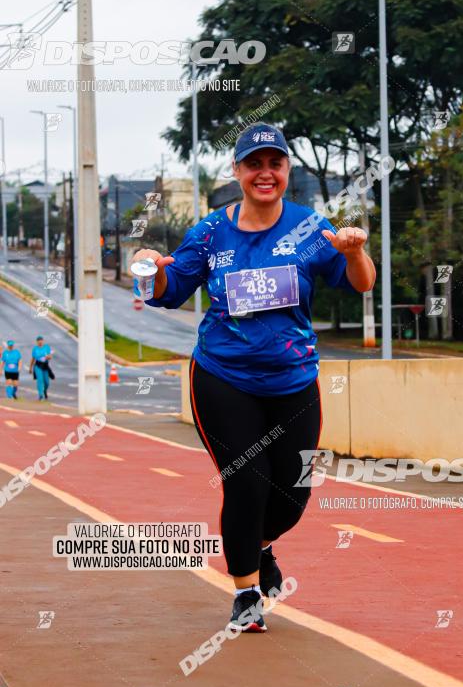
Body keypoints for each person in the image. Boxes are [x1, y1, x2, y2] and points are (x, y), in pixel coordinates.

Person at [131, 123, 376, 632]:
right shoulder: (210, 232)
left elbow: (361, 284)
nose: (265, 173)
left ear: (287, 171)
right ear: (238, 172)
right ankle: (245, 593)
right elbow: (168, 290)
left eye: (275, 164)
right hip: (223, 377)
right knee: (246, 483)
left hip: (293, 381)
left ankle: (261, 548)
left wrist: (354, 252)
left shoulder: (310, 227)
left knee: (293, 494)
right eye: (254, 164)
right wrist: (153, 267)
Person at [30, 336, 53, 401]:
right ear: (37, 342)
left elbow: (50, 356)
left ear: (43, 341)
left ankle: (44, 390)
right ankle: (41, 394)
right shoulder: (35, 349)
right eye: (38, 341)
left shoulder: (46, 347)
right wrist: (30, 367)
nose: (40, 342)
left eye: (41, 340)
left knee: (46, 382)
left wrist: (48, 357)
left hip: (45, 366)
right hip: (38, 365)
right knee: (40, 380)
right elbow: (33, 358)